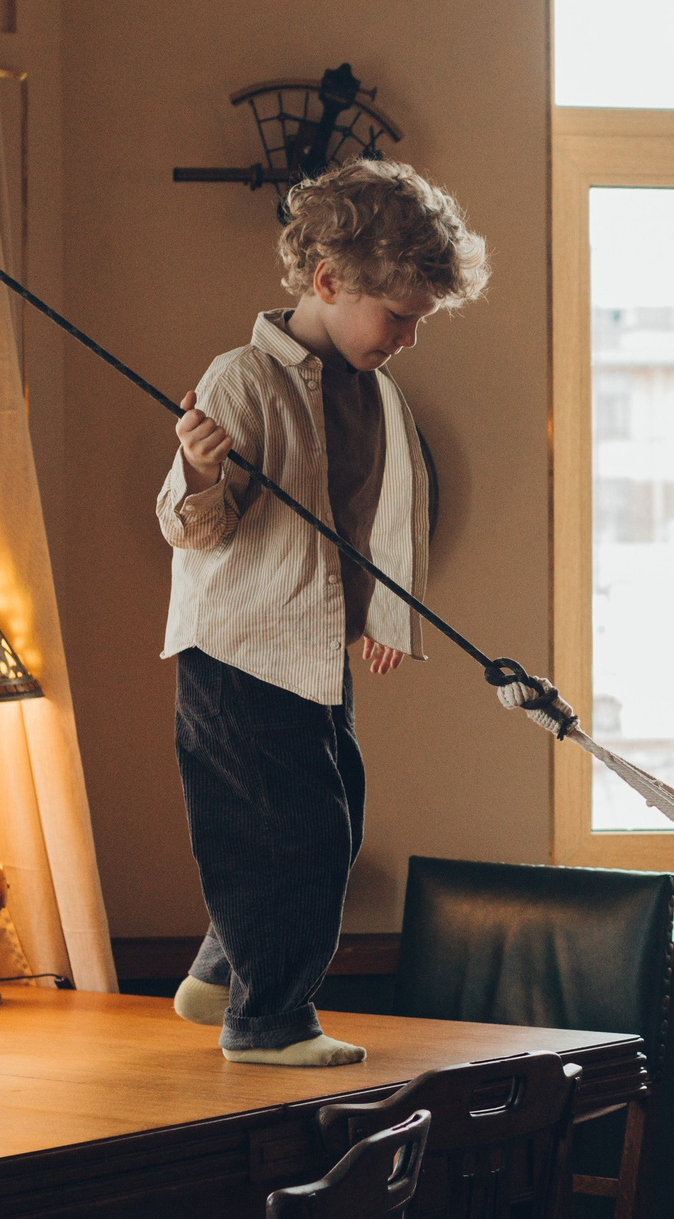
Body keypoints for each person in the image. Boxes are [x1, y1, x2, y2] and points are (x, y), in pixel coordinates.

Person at [156, 160, 487, 1066]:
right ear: (328, 281)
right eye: (400, 317)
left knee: (330, 823)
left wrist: (384, 616)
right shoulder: (242, 379)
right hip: (235, 650)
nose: (409, 339)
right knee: (289, 833)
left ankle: (221, 972)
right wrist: (201, 469)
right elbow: (193, 529)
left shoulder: (373, 389)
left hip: (309, 653)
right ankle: (266, 1024)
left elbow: (381, 515)